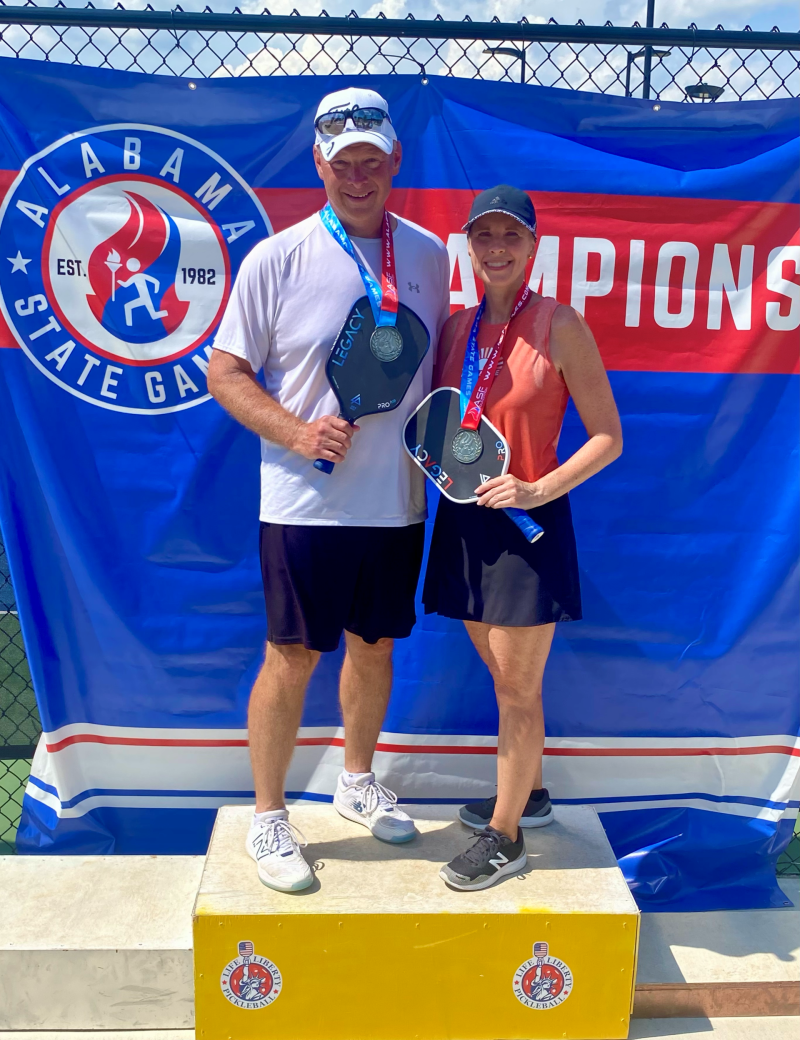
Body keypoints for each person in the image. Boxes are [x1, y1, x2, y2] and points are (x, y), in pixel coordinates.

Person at [207, 87, 450, 892]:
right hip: (303, 506)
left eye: (371, 161)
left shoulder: (429, 256)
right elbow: (225, 372)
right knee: (291, 655)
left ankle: (355, 780)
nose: (357, 176)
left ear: (395, 161)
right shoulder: (276, 259)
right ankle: (269, 816)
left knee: (374, 646)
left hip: (397, 503)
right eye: (343, 163)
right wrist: (296, 432)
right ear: (319, 163)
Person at [423, 185, 623, 891]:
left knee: (516, 688)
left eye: (511, 236)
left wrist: (539, 489)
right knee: (505, 678)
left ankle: (504, 838)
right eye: (484, 236)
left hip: (529, 526)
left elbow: (608, 437)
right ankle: (529, 794)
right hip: (464, 522)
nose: (497, 248)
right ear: (469, 247)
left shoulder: (559, 323)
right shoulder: (455, 327)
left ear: (534, 246)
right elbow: (444, 421)